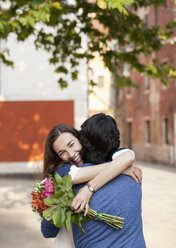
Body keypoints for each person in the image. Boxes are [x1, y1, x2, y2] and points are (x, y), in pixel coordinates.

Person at [41, 114, 145, 247]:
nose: (71, 154)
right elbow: (126, 158)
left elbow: (47, 231)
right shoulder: (130, 173)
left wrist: (89, 189)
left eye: (71, 144)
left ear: (82, 140)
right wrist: (120, 168)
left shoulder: (69, 187)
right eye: (62, 153)